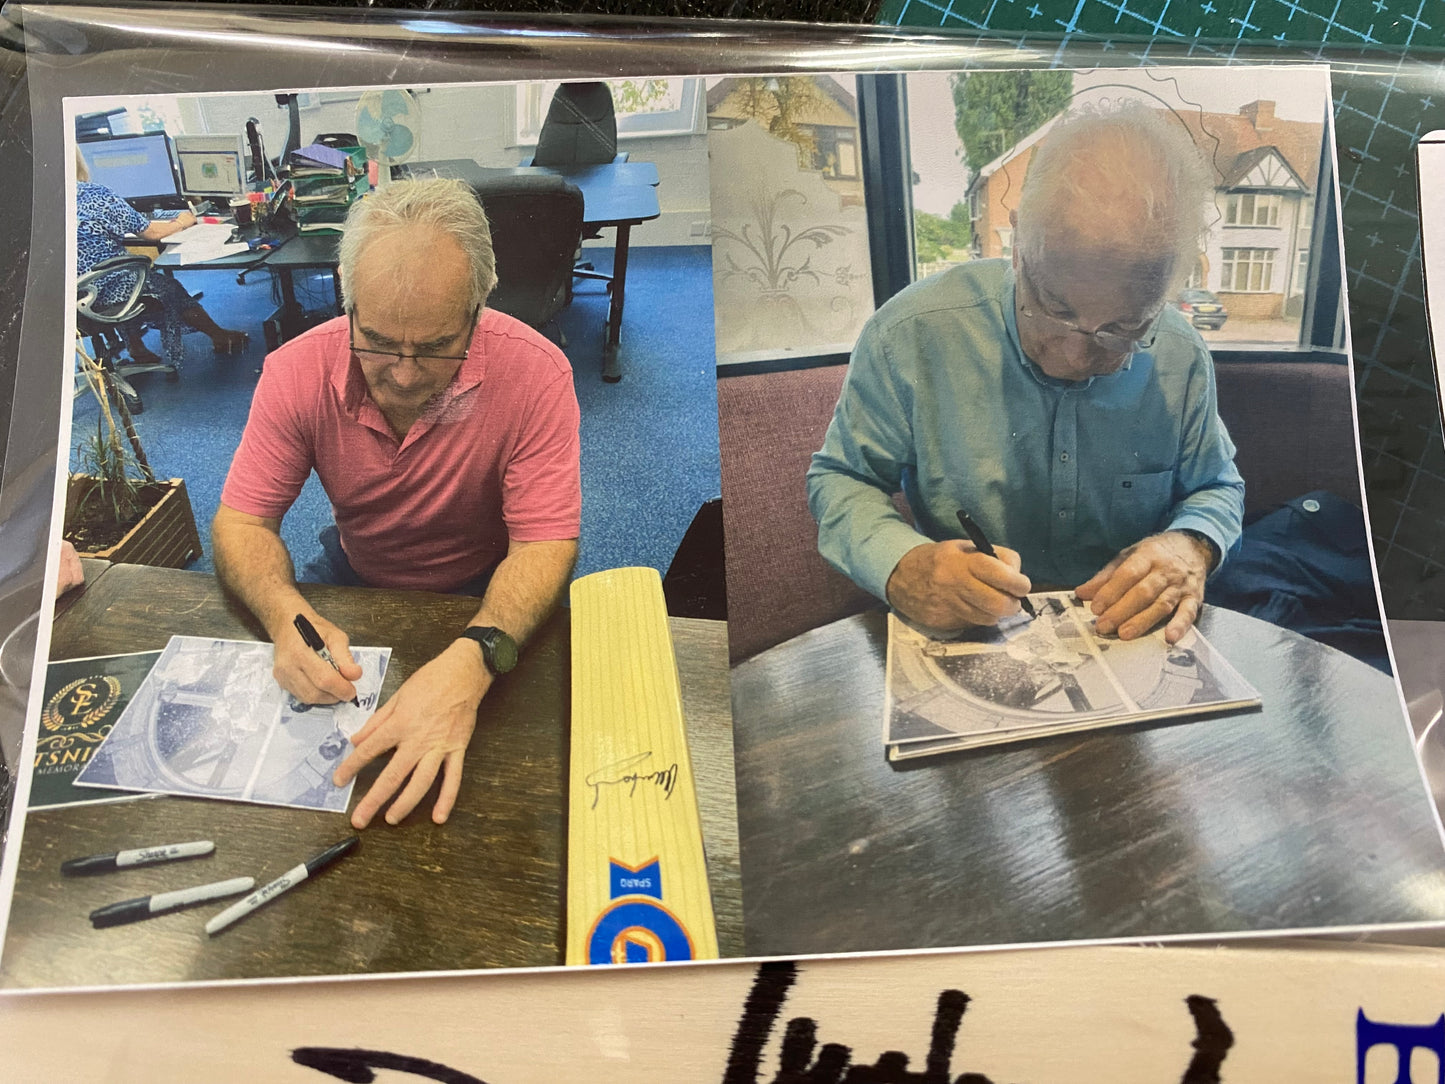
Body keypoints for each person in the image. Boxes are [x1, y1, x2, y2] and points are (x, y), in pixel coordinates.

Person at [212, 177, 581, 830]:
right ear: (347, 304)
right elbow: (243, 521)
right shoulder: (295, 371)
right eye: (378, 339)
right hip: (356, 570)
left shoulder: (537, 372)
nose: (405, 373)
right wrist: (282, 615)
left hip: (489, 582)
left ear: (477, 307)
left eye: (437, 345)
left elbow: (543, 544)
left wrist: (476, 656)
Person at [807, 102, 1245, 646]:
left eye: (1124, 329)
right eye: (1055, 308)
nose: (1075, 357)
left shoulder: (1181, 355)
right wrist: (903, 564)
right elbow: (843, 478)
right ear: (1016, 248)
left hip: (1135, 645)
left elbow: (1217, 488)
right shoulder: (911, 335)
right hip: (970, 639)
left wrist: (1192, 545)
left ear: (1166, 297)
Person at [75, 150, 248, 368]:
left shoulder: (36, 205)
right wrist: (183, 222)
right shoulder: (94, 195)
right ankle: (219, 336)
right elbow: (150, 233)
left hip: (66, 303)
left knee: (113, 276)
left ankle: (136, 347)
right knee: (165, 286)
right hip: (106, 288)